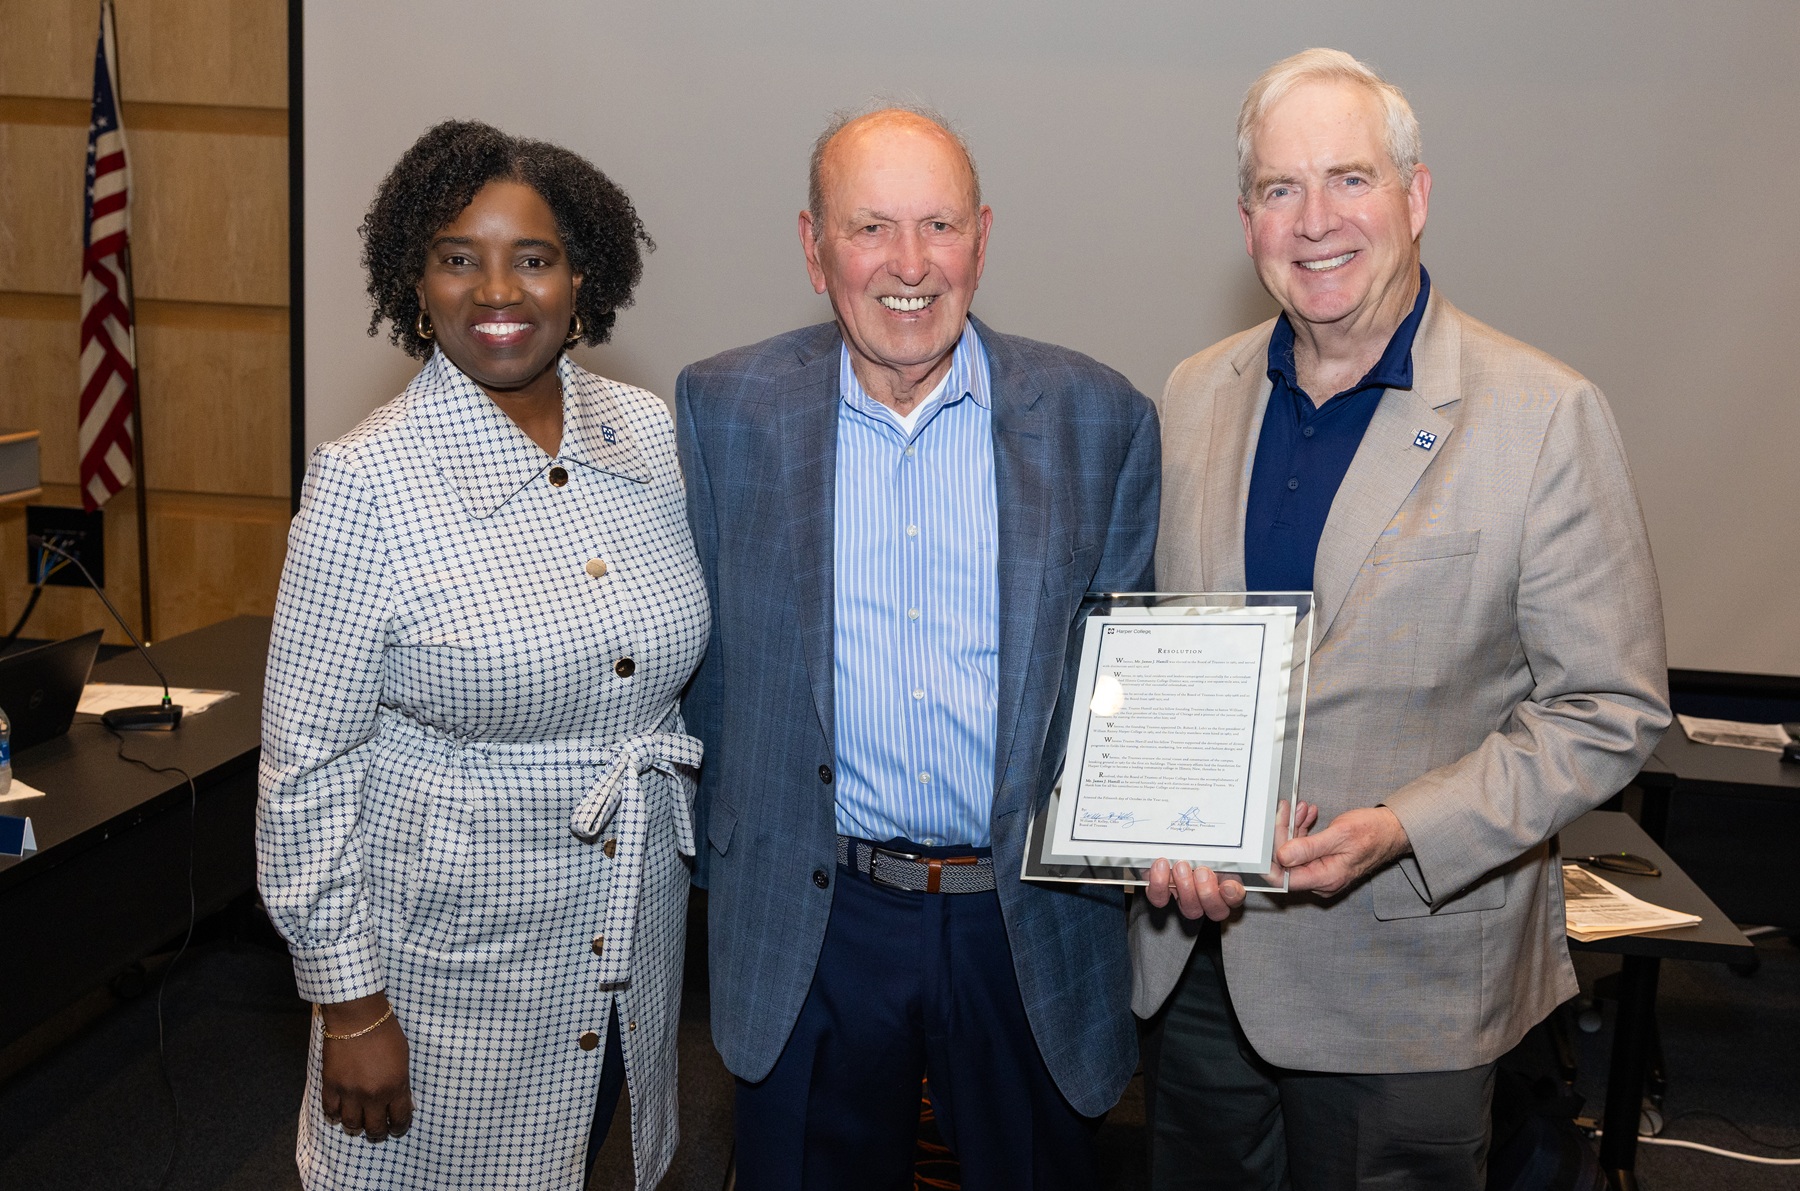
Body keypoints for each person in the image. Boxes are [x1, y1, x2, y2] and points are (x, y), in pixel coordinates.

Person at [1130, 49, 1671, 1189]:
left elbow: (1609, 707)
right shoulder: (1193, 395)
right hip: (1199, 969)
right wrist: (1153, 819)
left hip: (1405, 979)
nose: (1316, 221)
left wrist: (1403, 827)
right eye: (1281, 189)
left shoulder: (1541, 413)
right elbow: (1166, 657)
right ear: (1246, 221)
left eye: (1351, 180)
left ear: (1416, 197)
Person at [675, 105, 1159, 1188]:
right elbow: (703, 676)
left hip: (1025, 916)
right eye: (869, 229)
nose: (908, 264)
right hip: (817, 911)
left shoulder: (1099, 416)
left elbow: (1123, 680)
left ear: (983, 239)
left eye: (938, 226)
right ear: (812, 249)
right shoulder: (724, 409)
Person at [256, 120, 707, 1191]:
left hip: (630, 948)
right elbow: (303, 771)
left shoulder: (645, 437)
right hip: (449, 982)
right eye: (459, 257)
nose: (496, 289)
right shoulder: (367, 482)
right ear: (416, 281)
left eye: (532, 258)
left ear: (581, 277)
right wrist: (349, 1004)